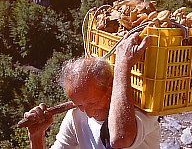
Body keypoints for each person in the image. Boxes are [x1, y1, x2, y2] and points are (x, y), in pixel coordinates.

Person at [23, 32, 160, 149]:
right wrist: (36, 137)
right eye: (80, 105)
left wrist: (122, 66)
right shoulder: (75, 116)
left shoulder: (139, 110)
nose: (88, 113)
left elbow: (120, 139)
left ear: (110, 86)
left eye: (92, 103)